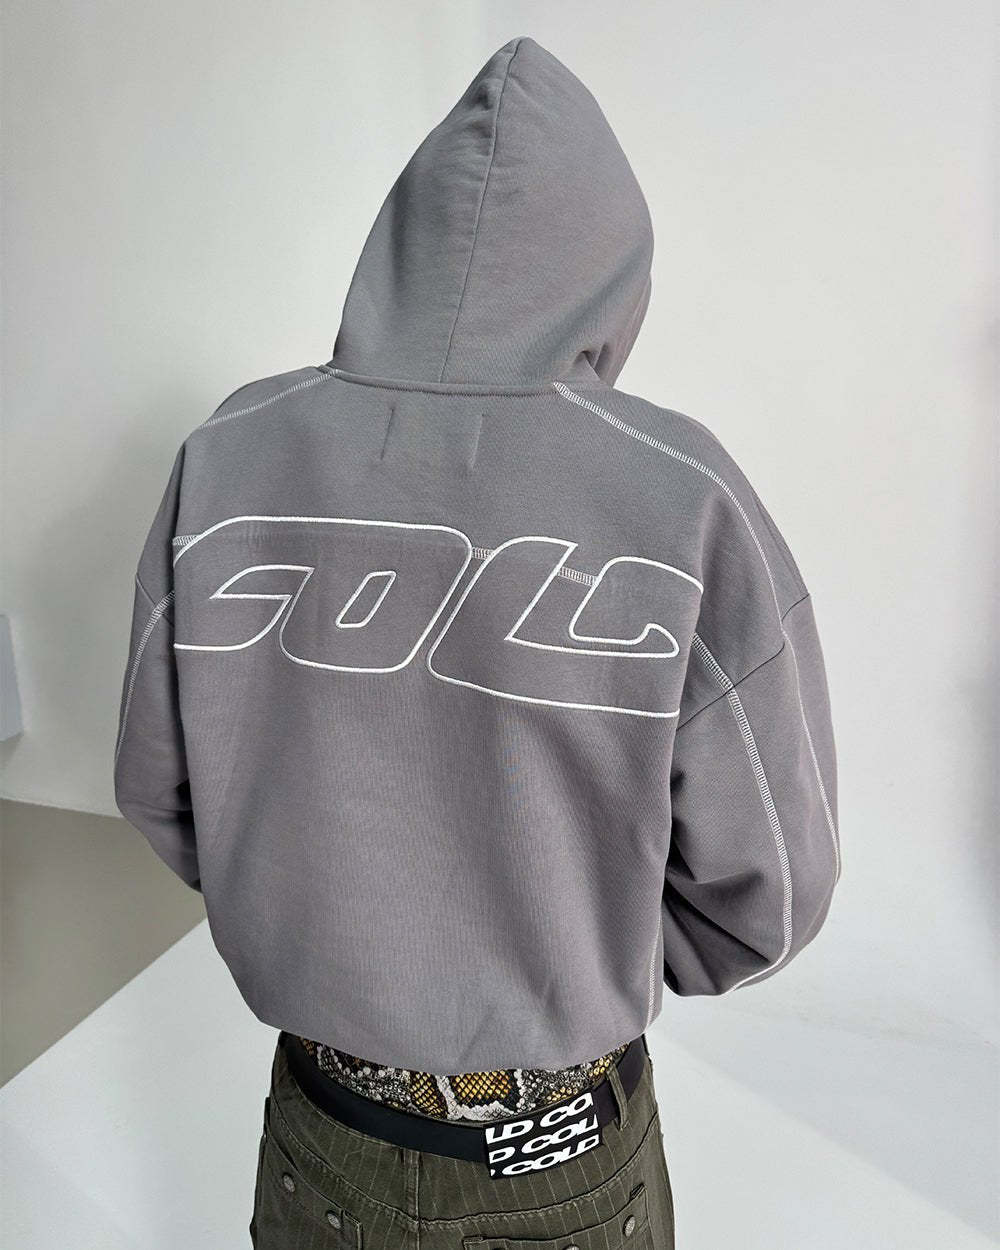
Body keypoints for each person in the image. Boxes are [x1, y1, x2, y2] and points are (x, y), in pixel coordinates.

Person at [113, 34, 840, 1249]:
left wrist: (319, 918)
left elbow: (157, 783)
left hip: (318, 1118)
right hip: (556, 1153)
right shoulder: (679, 494)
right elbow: (770, 885)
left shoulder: (229, 453)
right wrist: (578, 953)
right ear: (611, 270)